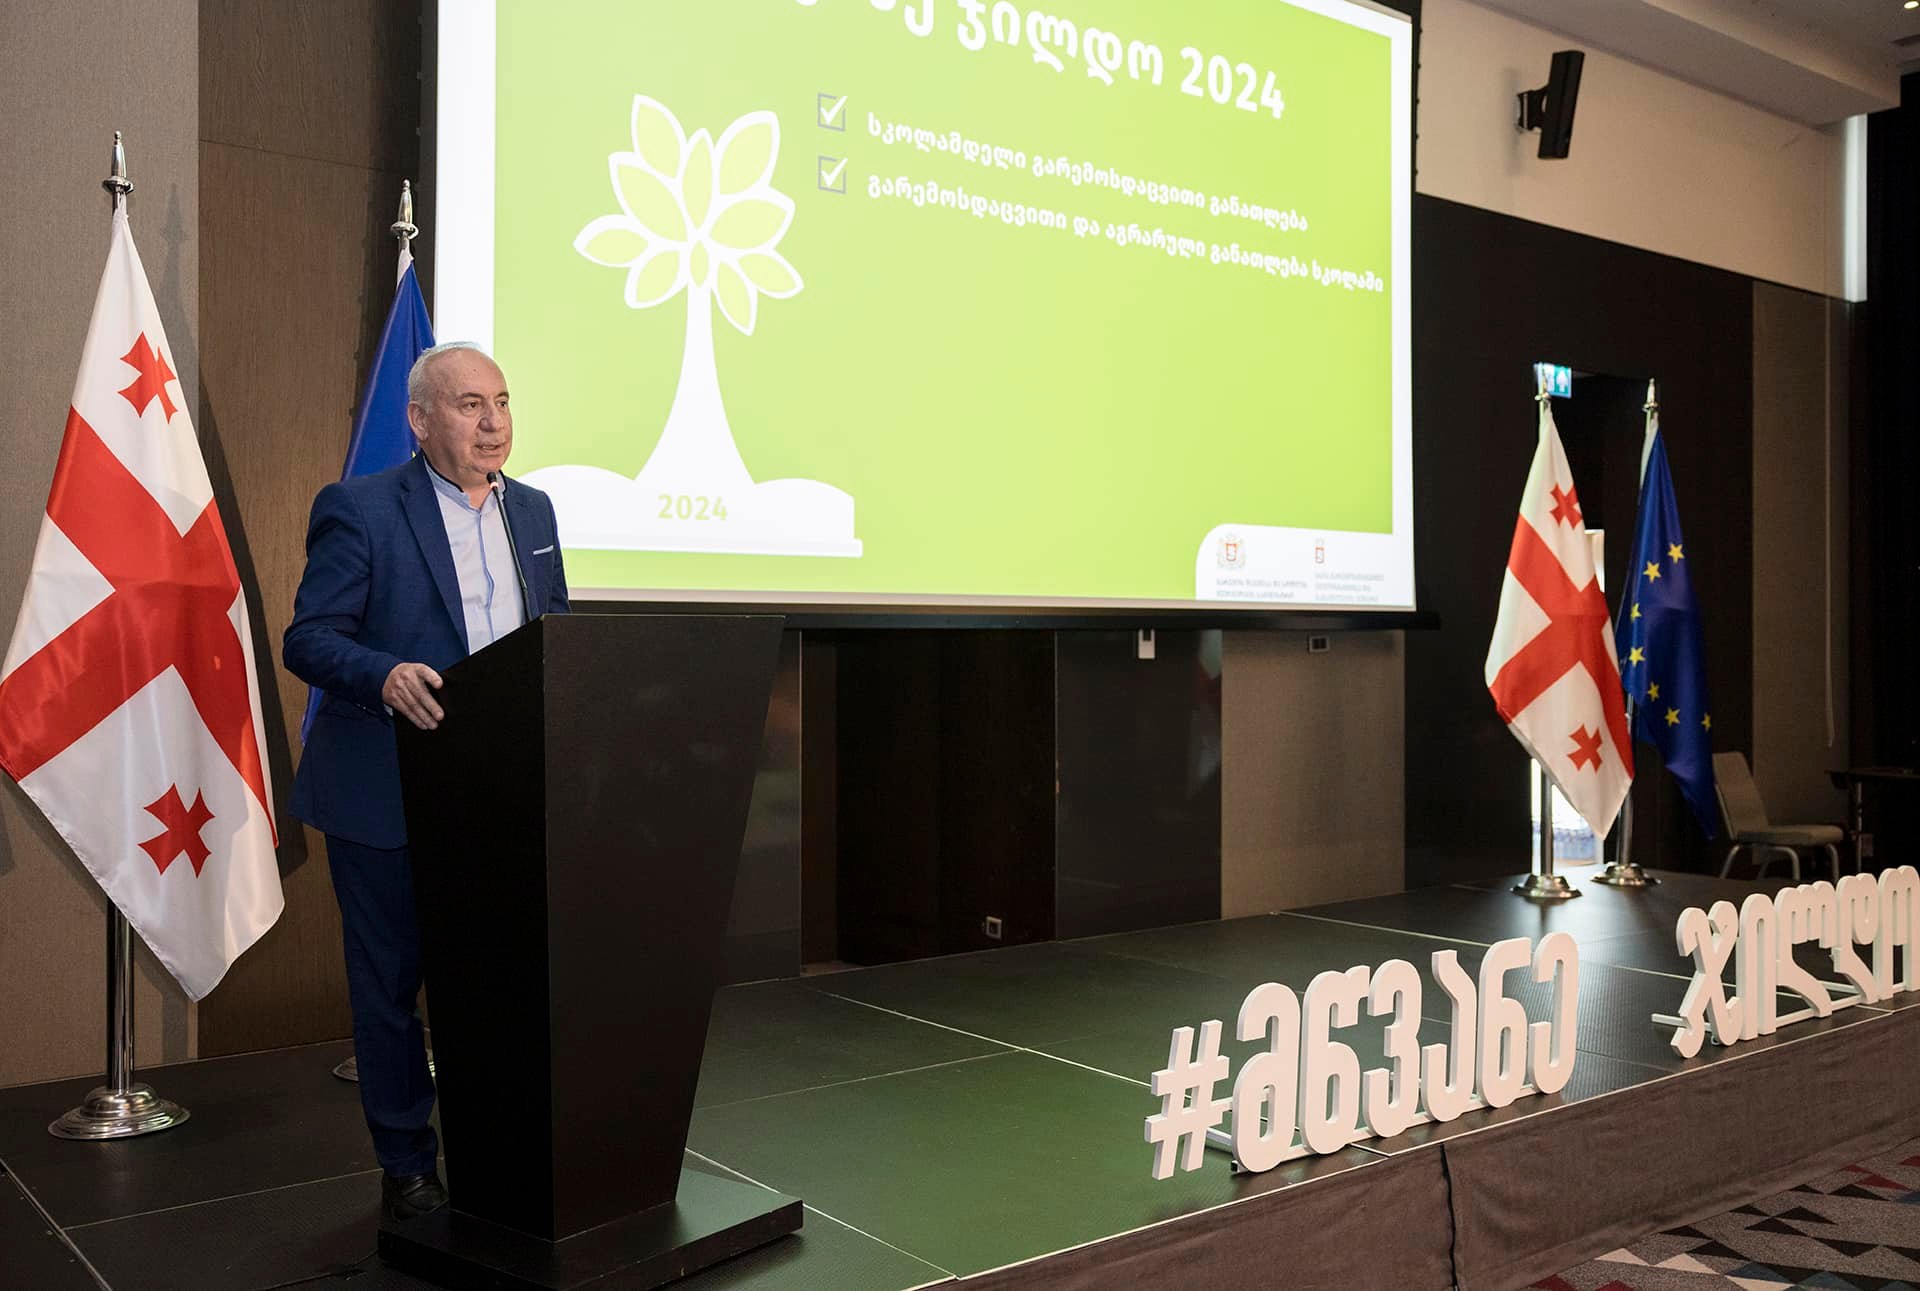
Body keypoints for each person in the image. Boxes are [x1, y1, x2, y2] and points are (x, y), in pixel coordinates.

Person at [283, 341, 569, 1221]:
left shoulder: (534, 509)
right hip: (387, 787)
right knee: (391, 991)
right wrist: (383, 674)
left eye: (502, 402)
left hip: (504, 789)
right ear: (419, 420)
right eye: (470, 405)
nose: (493, 423)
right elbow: (309, 637)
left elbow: (556, 631)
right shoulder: (361, 508)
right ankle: (407, 1163)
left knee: (499, 984)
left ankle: (502, 1150)